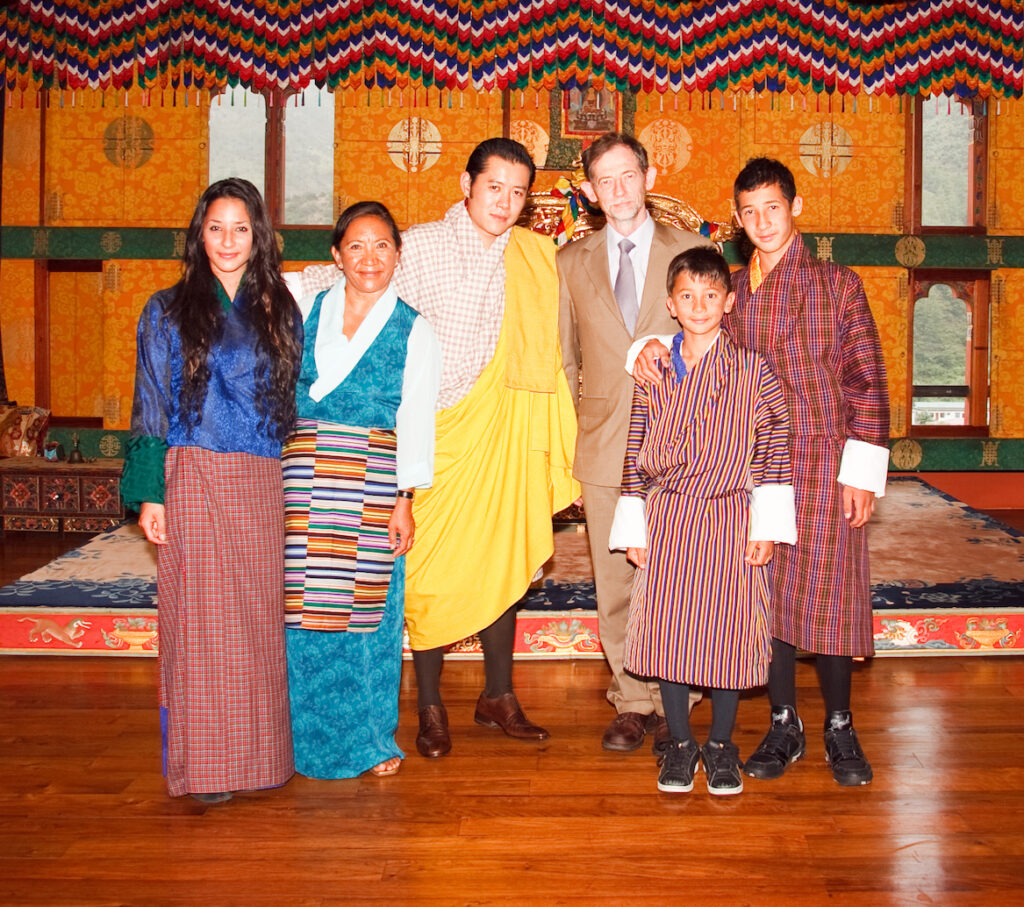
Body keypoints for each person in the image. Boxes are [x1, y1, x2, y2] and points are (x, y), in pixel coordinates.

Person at [291, 139, 579, 758]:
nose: (505, 201)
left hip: (499, 427)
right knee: (424, 573)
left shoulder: (531, 255)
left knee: (502, 558)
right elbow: (338, 277)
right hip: (433, 431)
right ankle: (429, 705)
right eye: (494, 186)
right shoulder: (417, 244)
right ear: (466, 184)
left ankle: (498, 695)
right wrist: (258, 285)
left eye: (518, 191)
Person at [631, 158, 890, 786]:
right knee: (761, 599)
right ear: (739, 221)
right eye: (748, 211)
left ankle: (839, 725)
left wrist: (862, 469)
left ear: (794, 207)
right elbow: (685, 338)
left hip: (826, 461)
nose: (762, 220)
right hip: (750, 470)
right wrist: (643, 352)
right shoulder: (732, 288)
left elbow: (867, 380)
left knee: (829, 598)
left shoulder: (838, 284)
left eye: (772, 207)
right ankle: (782, 723)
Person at [121, 178, 302, 803]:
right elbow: (149, 404)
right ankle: (206, 769)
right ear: (200, 235)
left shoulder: (281, 309)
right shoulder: (166, 309)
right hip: (193, 471)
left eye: (241, 229)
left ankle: (260, 760)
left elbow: (293, 403)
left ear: (260, 237)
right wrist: (151, 493)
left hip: (260, 477)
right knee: (199, 623)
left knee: (254, 624)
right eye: (216, 228)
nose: (228, 241)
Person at [608, 247, 795, 795]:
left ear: (729, 302)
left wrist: (766, 524)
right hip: (669, 516)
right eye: (687, 295)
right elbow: (635, 444)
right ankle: (681, 744)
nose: (699, 305)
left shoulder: (754, 370)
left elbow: (775, 445)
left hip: (733, 515)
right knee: (671, 629)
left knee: (727, 632)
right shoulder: (655, 368)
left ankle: (720, 744)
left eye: (711, 295)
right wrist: (634, 521)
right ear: (671, 303)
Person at [557, 132, 708, 754]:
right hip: (602, 440)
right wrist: (570, 440)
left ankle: (684, 698)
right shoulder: (570, 261)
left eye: (629, 175)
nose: (618, 190)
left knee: (682, 573)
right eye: (605, 181)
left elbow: (715, 344)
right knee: (616, 578)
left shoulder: (693, 249)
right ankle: (632, 699)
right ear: (589, 192)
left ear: (648, 176)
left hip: (683, 443)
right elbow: (564, 361)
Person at [282, 202, 441, 780]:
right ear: (336, 256)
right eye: (356, 246)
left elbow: (418, 417)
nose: (369, 258)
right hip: (301, 484)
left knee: (365, 616)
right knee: (299, 615)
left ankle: (371, 740)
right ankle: (297, 739)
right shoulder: (306, 308)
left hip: (372, 484)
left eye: (381, 246)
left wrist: (406, 498)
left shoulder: (413, 327)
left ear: (398, 255)